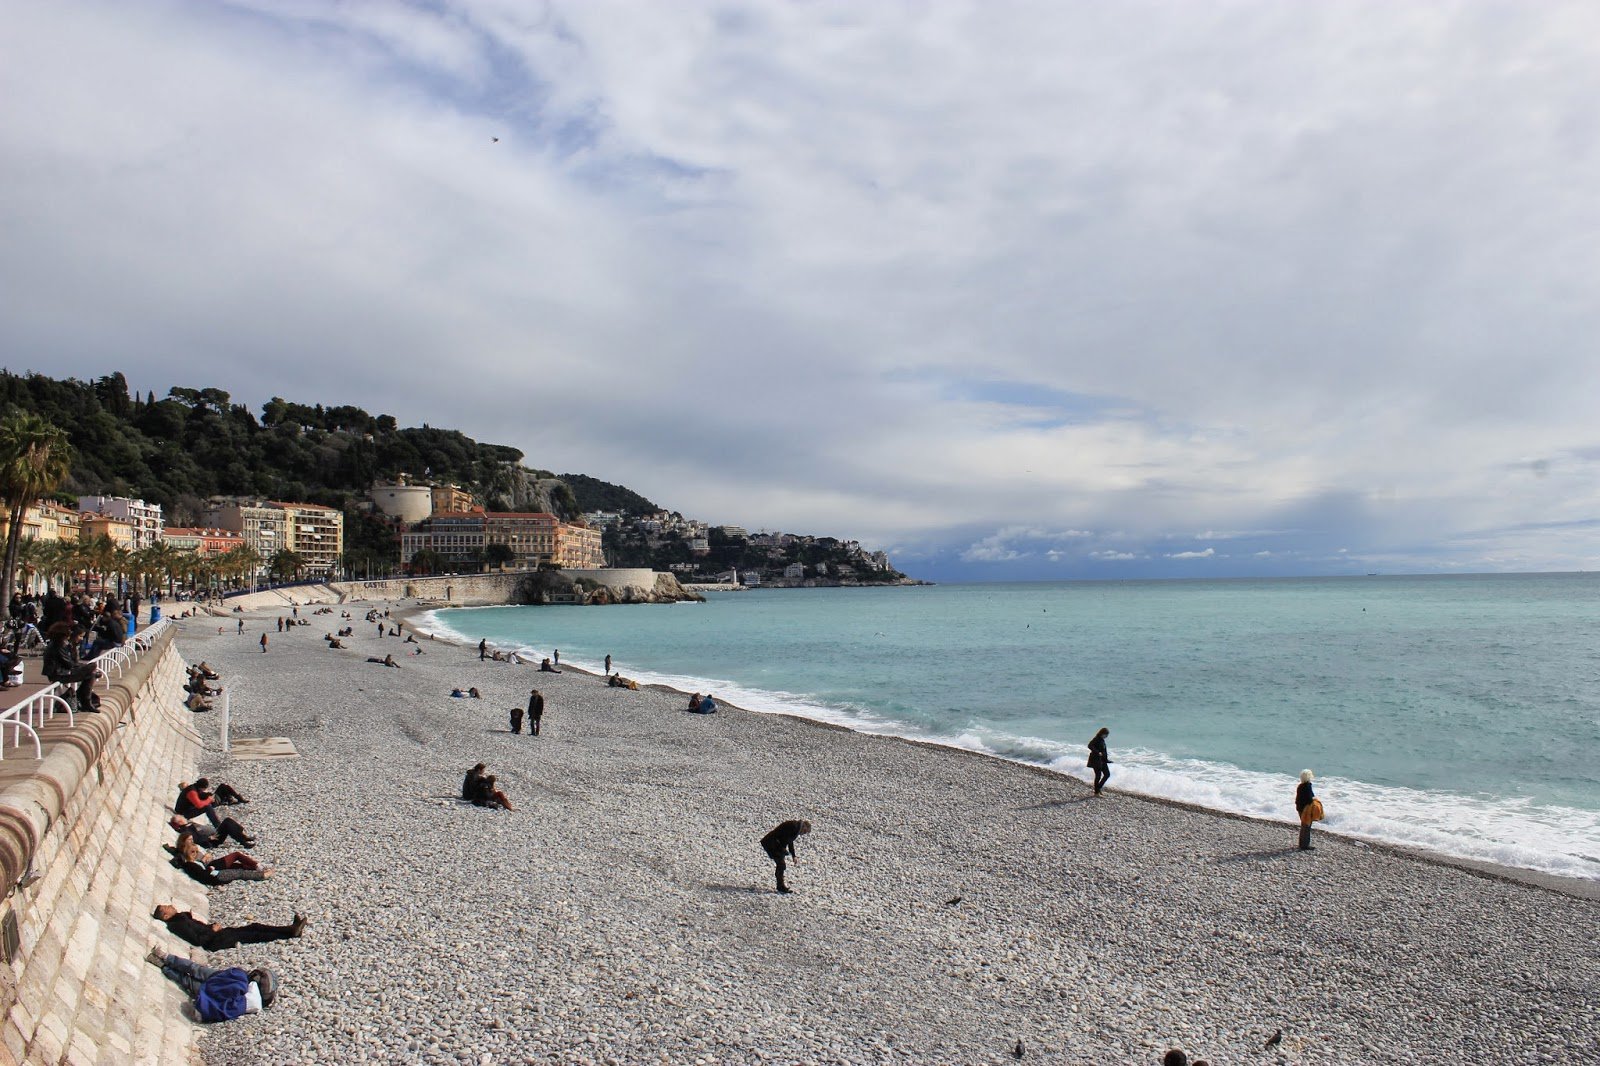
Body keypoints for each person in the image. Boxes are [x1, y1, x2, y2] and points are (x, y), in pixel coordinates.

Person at [147, 950, 278, 1022]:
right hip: (212, 988)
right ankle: (164, 965)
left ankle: (166, 958)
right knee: (187, 981)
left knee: (194, 969)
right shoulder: (251, 1000)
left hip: (217, 978)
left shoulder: (244, 981)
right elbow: (227, 1007)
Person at [152, 904, 306, 950]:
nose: (171, 905)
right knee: (254, 934)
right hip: (216, 941)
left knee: (255, 926)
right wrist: (212, 931)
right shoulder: (177, 925)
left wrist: (212, 926)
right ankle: (290, 932)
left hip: (218, 934)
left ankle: (290, 929)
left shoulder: (181, 918)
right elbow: (197, 940)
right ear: (166, 916)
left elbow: (199, 928)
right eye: (167, 907)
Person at [42, 621, 101, 714]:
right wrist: (85, 667)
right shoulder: (58, 646)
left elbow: (70, 662)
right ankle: (86, 702)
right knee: (92, 670)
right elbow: (69, 664)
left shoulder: (57, 644)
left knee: (91, 672)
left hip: (60, 672)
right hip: (59, 675)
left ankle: (85, 701)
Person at [760, 819, 811, 894]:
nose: (803, 834)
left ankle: (780, 885)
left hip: (772, 842)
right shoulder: (795, 827)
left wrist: (793, 855)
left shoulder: (796, 827)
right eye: (805, 831)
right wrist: (783, 850)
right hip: (771, 843)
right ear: (804, 826)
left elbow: (790, 841)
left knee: (781, 865)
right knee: (781, 865)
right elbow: (786, 839)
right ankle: (780, 886)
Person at [171, 813, 255, 848]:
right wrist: (209, 838)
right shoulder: (187, 830)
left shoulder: (187, 825)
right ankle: (243, 842)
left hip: (214, 833)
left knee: (228, 820)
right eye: (182, 818)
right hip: (213, 840)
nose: (184, 818)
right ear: (180, 822)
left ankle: (244, 836)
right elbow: (195, 839)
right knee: (227, 824)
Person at [1296, 769, 1321, 850]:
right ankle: (1305, 845)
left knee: (1304, 826)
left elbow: (1298, 799)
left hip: (1300, 808)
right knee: (1307, 827)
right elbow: (1310, 798)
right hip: (1306, 810)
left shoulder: (1300, 786)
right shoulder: (1308, 785)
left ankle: (1301, 844)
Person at [1088, 727, 1112, 795]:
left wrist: (1107, 760)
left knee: (1107, 774)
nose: (1107, 736)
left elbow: (1104, 751)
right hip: (1095, 760)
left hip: (1102, 761)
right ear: (1102, 733)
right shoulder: (1096, 739)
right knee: (1098, 775)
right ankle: (1096, 792)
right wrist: (1097, 752)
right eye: (1106, 735)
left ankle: (1098, 788)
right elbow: (1089, 745)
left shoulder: (1102, 740)